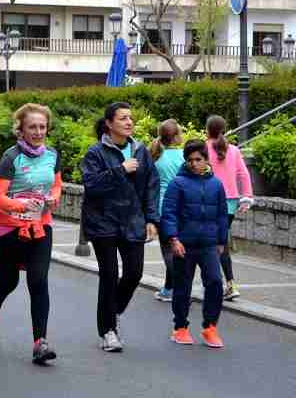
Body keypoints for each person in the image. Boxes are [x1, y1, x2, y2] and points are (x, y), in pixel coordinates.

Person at [0, 103, 60, 365]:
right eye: (32, 127)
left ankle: (40, 342)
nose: (38, 131)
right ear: (21, 129)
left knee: (38, 281)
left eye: (42, 127)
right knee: (8, 280)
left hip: (40, 226)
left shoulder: (52, 154)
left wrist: (53, 198)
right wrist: (21, 205)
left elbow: (56, 185)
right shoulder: (12, 157)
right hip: (7, 228)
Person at [81, 102, 159, 353]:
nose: (129, 122)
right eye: (123, 118)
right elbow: (91, 185)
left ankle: (111, 310)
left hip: (133, 220)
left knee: (134, 273)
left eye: (131, 118)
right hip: (103, 221)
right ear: (109, 124)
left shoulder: (140, 151)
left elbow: (151, 186)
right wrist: (119, 170)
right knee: (109, 275)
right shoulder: (96, 152)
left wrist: (152, 219)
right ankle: (108, 331)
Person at [161, 139, 228, 348]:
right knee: (183, 286)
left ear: (206, 160)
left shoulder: (216, 185)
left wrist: (221, 240)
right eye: (190, 160)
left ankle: (210, 327)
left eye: (198, 159)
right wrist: (173, 239)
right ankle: (180, 327)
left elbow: (222, 215)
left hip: (208, 243)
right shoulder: (177, 184)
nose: (194, 163)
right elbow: (169, 213)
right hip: (184, 244)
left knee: (215, 283)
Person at [206, 115, 253, 301]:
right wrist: (247, 197)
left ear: (208, 130)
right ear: (225, 129)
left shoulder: (203, 148)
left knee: (212, 243)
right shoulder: (233, 150)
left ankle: (217, 283)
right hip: (230, 202)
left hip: (208, 200)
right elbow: (243, 174)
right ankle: (229, 283)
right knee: (221, 242)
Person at [149, 119, 185, 303]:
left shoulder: (156, 158)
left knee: (168, 252)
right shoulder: (185, 157)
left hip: (163, 209)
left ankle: (175, 288)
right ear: (178, 136)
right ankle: (169, 288)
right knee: (177, 249)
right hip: (182, 208)